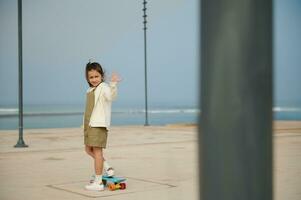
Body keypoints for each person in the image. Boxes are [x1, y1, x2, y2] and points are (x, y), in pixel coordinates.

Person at [83, 61, 121, 191]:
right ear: (87, 78)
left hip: (98, 125)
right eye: (91, 77)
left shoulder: (104, 87)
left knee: (98, 152)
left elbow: (111, 97)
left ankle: (98, 182)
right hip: (89, 125)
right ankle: (107, 166)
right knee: (88, 150)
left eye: (96, 76)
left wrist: (113, 84)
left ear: (101, 76)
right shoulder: (89, 90)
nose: (94, 79)